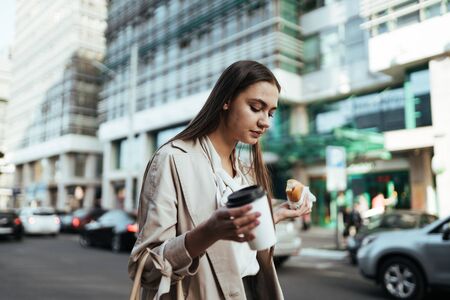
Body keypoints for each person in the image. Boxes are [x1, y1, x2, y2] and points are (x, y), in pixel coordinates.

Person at [128, 61, 312, 300]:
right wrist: (208, 232)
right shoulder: (173, 160)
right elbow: (146, 268)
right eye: (256, 107)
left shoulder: (247, 173)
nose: (266, 121)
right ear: (226, 100)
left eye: (271, 113)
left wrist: (272, 216)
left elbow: (240, 255)